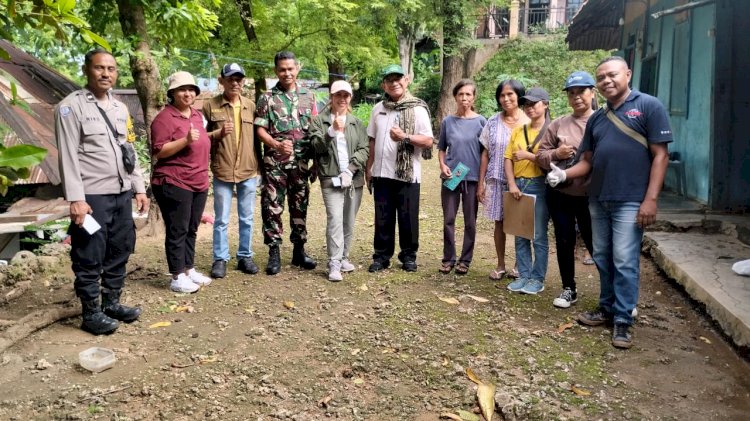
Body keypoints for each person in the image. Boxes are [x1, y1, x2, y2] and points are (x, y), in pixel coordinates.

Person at [547, 56, 672, 348]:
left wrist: (651, 199)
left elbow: (661, 156)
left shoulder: (648, 106)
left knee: (625, 260)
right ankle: (607, 307)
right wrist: (562, 174)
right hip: (598, 199)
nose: (606, 81)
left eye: (611, 75)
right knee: (602, 256)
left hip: (631, 199)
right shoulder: (598, 118)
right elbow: (587, 162)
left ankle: (623, 320)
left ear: (627, 74)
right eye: (601, 77)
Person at [55, 48, 149, 335]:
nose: (106, 73)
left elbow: (128, 149)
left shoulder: (121, 108)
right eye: (99, 68)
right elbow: (67, 155)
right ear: (86, 70)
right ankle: (91, 312)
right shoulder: (70, 108)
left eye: (111, 68)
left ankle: (111, 303)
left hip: (121, 192)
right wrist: (76, 199)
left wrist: (139, 187)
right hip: (92, 197)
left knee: (120, 248)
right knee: (89, 253)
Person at [365, 64, 434, 272]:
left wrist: (405, 136)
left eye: (398, 78)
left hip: (408, 174)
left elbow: (428, 140)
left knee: (408, 217)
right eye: (389, 80)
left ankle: (409, 256)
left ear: (406, 81)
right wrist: (369, 168)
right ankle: (381, 256)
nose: (394, 83)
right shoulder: (378, 109)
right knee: (383, 216)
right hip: (382, 173)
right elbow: (372, 140)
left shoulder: (418, 109)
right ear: (383, 85)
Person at [255, 51, 318, 275]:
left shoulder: (308, 97)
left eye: (290, 68)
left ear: (297, 68)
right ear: (276, 71)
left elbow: (315, 130)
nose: (287, 73)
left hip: (301, 164)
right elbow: (260, 129)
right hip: (275, 164)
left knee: (299, 205)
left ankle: (299, 251)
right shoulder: (267, 98)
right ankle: (274, 253)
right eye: (282, 69)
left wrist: (316, 161)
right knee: (272, 207)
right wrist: (276, 144)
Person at [536, 71, 596, 309]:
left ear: (592, 93)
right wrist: (556, 154)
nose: (576, 97)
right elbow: (540, 156)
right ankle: (568, 288)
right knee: (564, 239)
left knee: (596, 242)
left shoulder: (602, 121)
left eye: (581, 91)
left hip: (591, 196)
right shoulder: (558, 124)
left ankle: (611, 292)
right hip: (560, 194)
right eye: (572, 93)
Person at [151, 71, 211, 293]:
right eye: (182, 89)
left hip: (199, 180)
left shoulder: (196, 115)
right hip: (174, 181)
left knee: (192, 228)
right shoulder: (164, 119)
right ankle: (176, 276)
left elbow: (202, 140)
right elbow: (159, 151)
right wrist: (184, 141)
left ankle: (188, 268)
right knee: (178, 229)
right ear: (172, 93)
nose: (187, 93)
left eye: (191, 89)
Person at [202, 63, 261, 279]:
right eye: (230, 79)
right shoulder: (210, 106)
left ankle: (245, 256)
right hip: (223, 169)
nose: (235, 83)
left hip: (248, 168)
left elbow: (257, 139)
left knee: (247, 217)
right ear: (222, 81)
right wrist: (217, 133)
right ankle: (220, 258)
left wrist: (260, 168)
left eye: (239, 79)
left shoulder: (251, 106)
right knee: (222, 219)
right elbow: (200, 137)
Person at [309, 80, 369, 281]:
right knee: (335, 219)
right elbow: (316, 147)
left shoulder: (356, 123)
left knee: (348, 220)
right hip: (330, 178)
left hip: (354, 179)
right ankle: (334, 263)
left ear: (350, 98)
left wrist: (351, 170)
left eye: (346, 95)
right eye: (338, 95)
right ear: (331, 97)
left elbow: (364, 149)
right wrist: (332, 131)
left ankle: (344, 257)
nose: (342, 99)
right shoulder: (319, 121)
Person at [478, 79, 529, 281]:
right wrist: (481, 182)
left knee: (520, 224)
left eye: (510, 94)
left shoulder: (529, 121)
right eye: (502, 95)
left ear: (519, 96)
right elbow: (485, 154)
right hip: (496, 179)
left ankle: (519, 265)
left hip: (522, 180)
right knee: (499, 223)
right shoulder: (492, 121)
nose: (506, 98)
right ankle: (500, 264)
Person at [504, 87, 552, 295]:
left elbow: (554, 161)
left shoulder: (553, 131)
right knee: (519, 232)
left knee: (538, 235)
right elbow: (508, 158)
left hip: (539, 184)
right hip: (518, 184)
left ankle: (537, 278)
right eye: (526, 104)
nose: (529, 108)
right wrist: (512, 184)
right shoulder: (518, 130)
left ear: (546, 104)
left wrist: (528, 156)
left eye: (534, 104)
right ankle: (523, 274)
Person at [437, 79, 487, 275]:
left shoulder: (481, 121)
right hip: (453, 175)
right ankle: (449, 258)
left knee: (470, 221)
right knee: (448, 218)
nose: (464, 98)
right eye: (461, 94)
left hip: (472, 177)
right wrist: (442, 165)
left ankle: (465, 260)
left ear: (474, 97)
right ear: (455, 97)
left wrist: (482, 181)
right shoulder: (448, 121)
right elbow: (441, 148)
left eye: (468, 94)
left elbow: (485, 153)